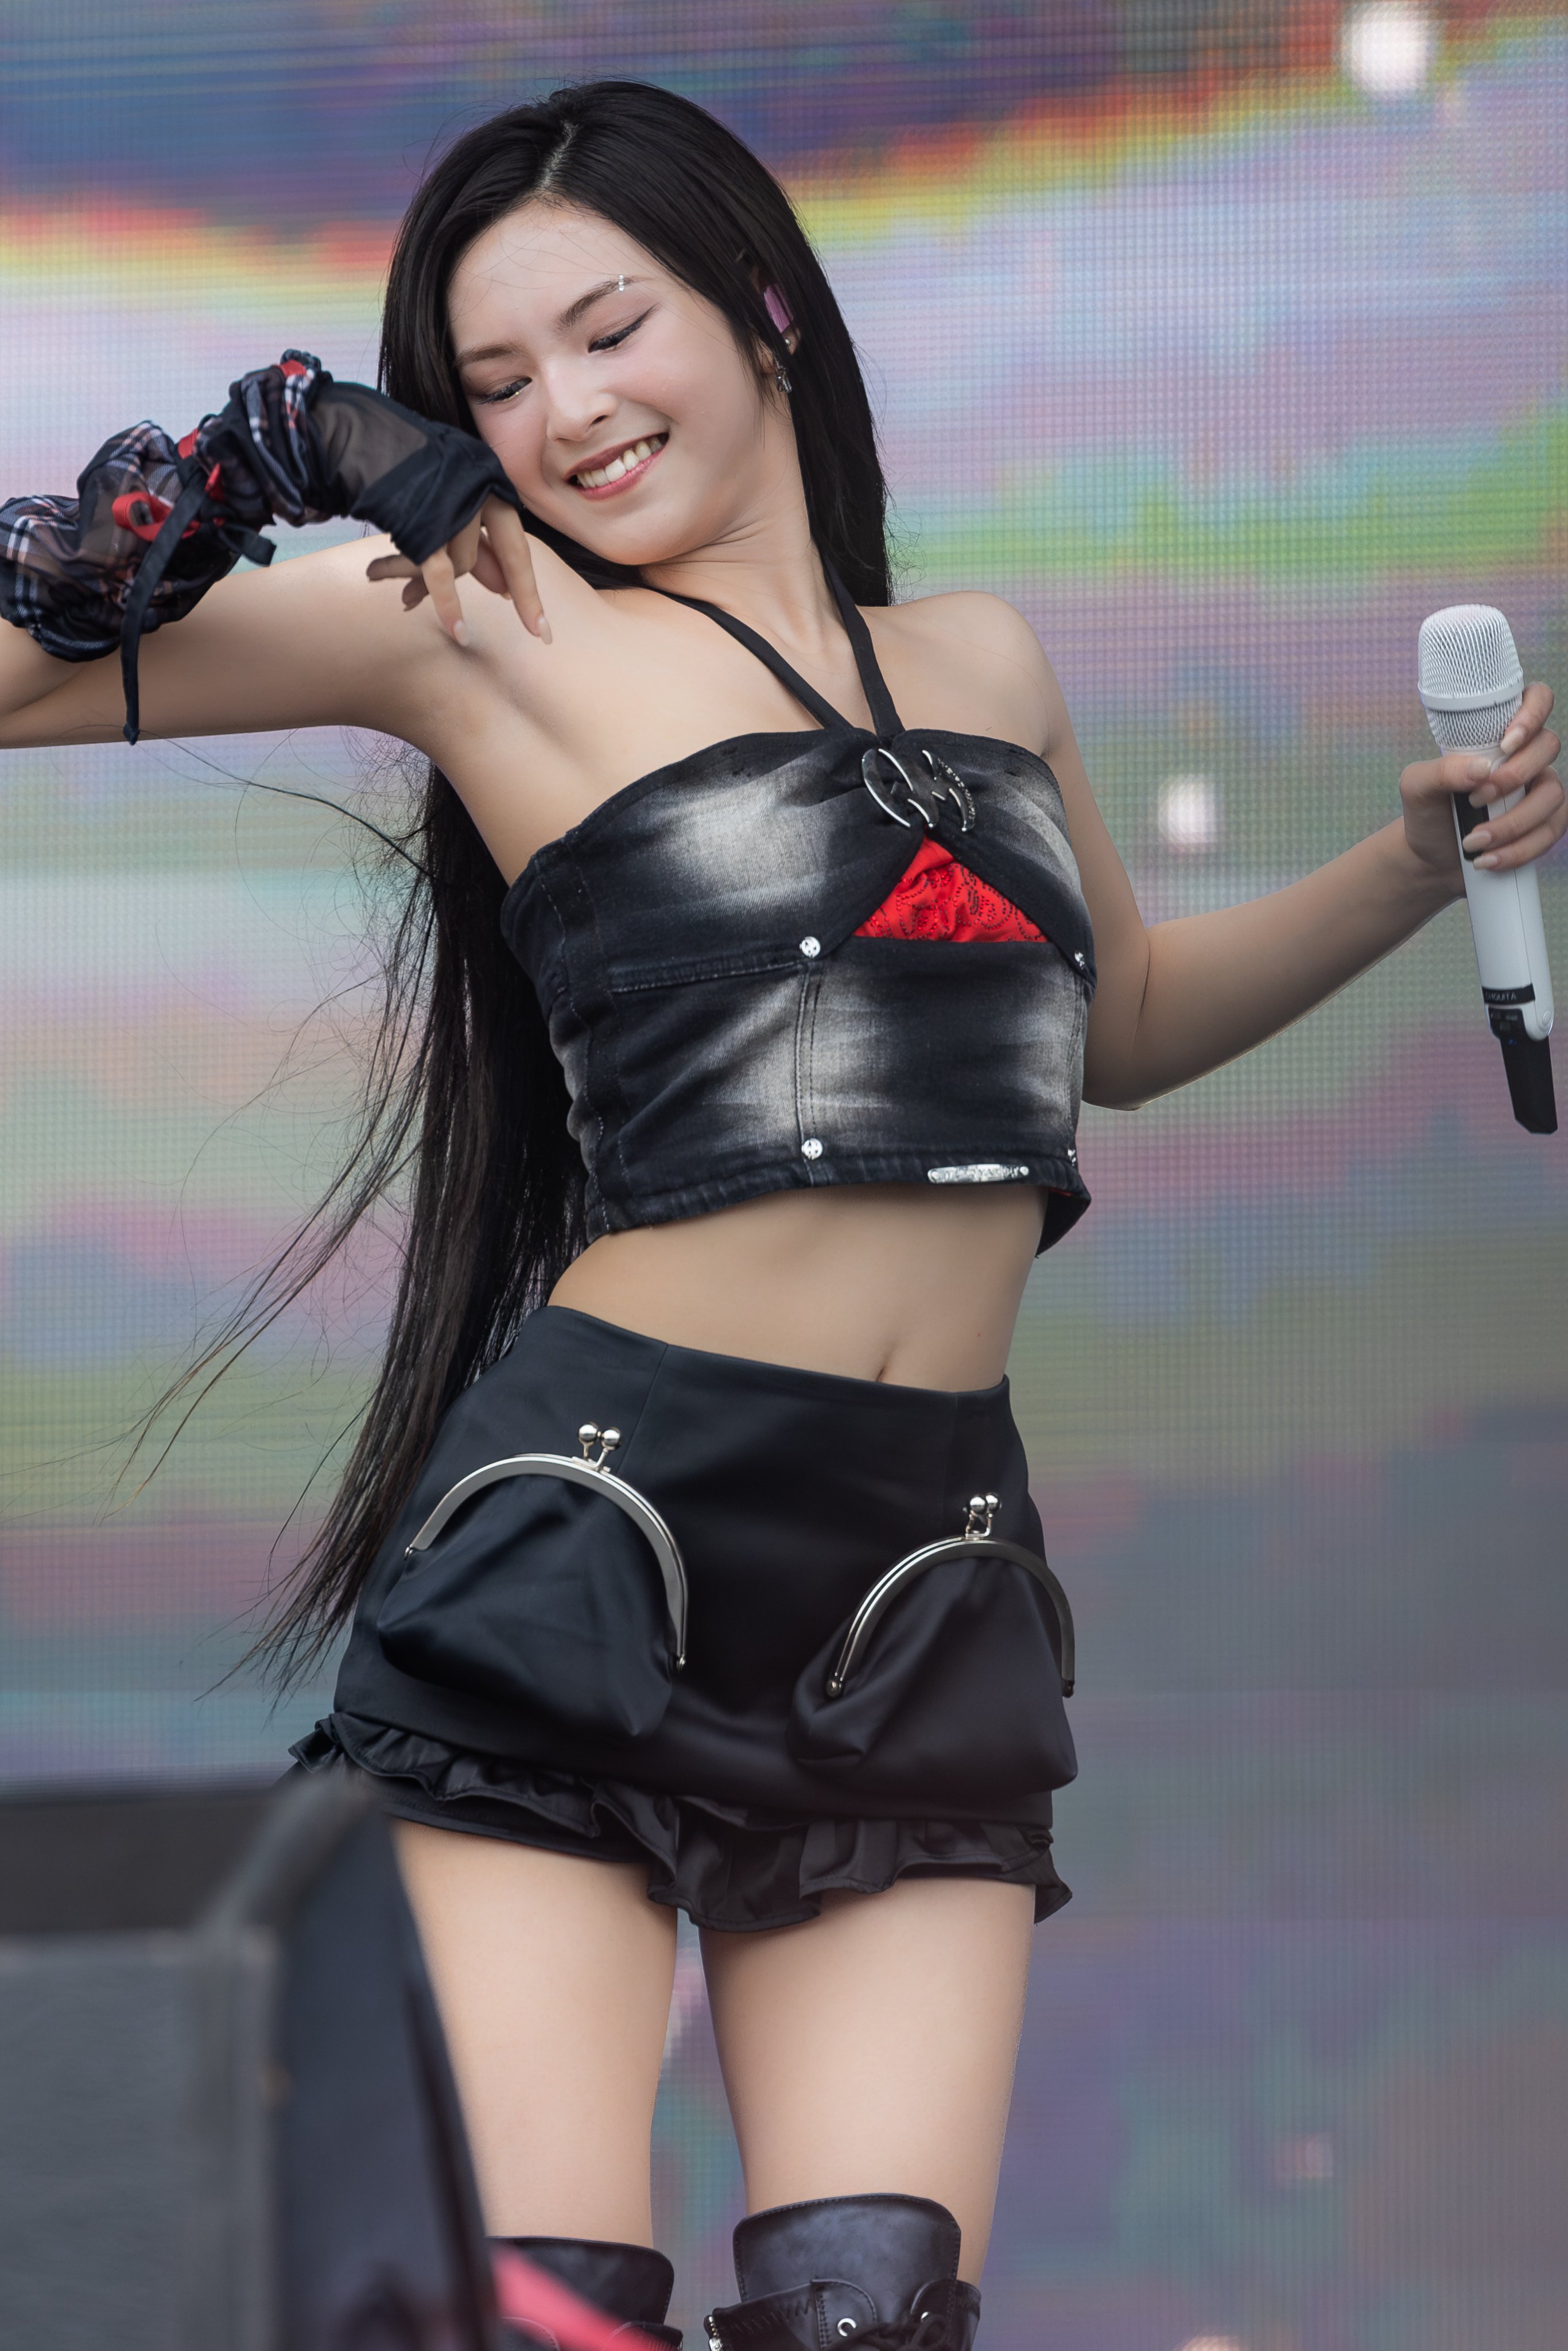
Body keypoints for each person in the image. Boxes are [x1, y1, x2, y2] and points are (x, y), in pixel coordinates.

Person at [1, 79, 1559, 2351]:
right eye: (493, 380)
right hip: (588, 1547)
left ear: (762, 312)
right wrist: (298, 437)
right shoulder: (467, 621)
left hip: (916, 1575)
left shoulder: (984, 665)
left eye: (607, 330)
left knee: (871, 2316)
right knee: (537, 2313)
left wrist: (1409, 868)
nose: (564, 415)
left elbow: (1115, 1030)